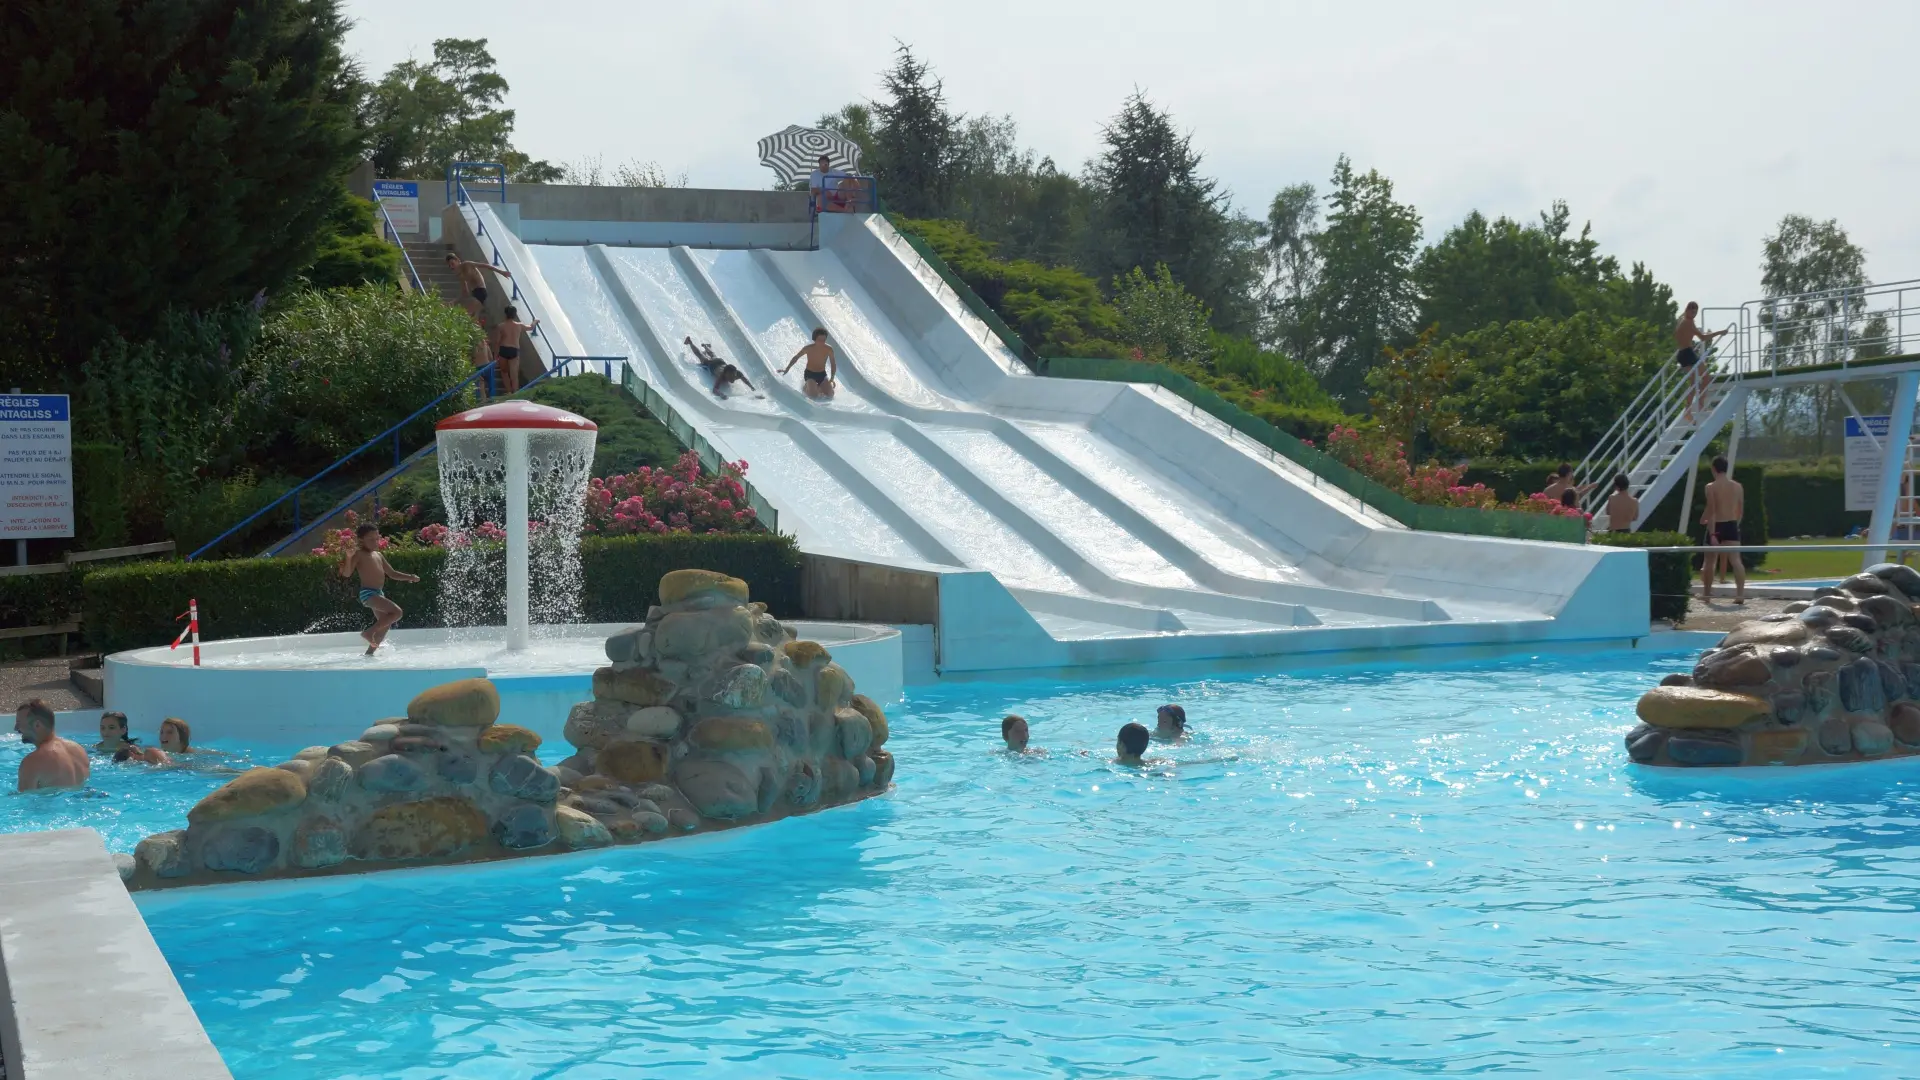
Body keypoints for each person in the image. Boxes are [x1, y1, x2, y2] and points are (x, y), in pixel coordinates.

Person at [337, 524, 420, 654]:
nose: (375, 542)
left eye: (377, 538)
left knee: (385, 626)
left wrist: (409, 577)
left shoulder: (379, 555)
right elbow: (347, 573)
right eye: (371, 539)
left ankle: (369, 654)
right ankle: (369, 632)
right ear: (361, 540)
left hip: (378, 594)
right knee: (397, 612)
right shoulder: (359, 554)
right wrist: (348, 557)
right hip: (368, 594)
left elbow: (392, 573)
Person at [14, 699, 90, 792]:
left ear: (37, 725)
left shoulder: (32, 762)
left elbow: (24, 802)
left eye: (19, 723)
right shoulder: (79, 750)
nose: (16, 728)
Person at [1700, 455, 1746, 605]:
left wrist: (1712, 532)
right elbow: (1740, 510)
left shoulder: (1710, 486)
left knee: (1709, 562)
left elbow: (1712, 509)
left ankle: (1707, 594)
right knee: (1736, 561)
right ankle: (1740, 595)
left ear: (1714, 469)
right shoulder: (1738, 486)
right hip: (1731, 524)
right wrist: (1736, 524)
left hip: (1717, 526)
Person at [1674, 301, 1728, 422]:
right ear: (1687, 310)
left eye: (1695, 312)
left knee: (1694, 382)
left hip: (1682, 354)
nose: (1693, 314)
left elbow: (1677, 336)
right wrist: (1720, 332)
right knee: (1706, 378)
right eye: (1692, 311)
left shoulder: (1681, 320)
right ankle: (1700, 405)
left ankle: (1689, 410)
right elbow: (1703, 337)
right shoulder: (1687, 322)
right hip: (1687, 353)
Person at [445, 252, 511, 323]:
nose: (452, 267)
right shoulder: (460, 275)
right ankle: (479, 332)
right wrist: (454, 301)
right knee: (474, 318)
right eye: (449, 266)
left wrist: (501, 272)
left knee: (466, 315)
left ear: (457, 260)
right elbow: (465, 292)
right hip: (474, 294)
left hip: (481, 291)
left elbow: (486, 266)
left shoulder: (467, 264)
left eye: (452, 264)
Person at [489, 305, 540, 395]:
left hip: (504, 349)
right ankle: (515, 392)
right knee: (514, 374)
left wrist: (495, 355)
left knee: (504, 372)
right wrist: (535, 321)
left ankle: (508, 391)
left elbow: (497, 342)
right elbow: (531, 327)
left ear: (505, 314)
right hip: (514, 350)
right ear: (515, 314)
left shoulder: (501, 326)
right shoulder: (519, 325)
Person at [782, 328, 838, 400]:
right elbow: (796, 357)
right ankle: (806, 387)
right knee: (813, 396)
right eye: (819, 340)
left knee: (830, 395)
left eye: (824, 340)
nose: (822, 342)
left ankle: (818, 387)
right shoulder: (808, 348)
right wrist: (787, 369)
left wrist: (832, 378)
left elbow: (833, 363)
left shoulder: (829, 349)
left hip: (822, 374)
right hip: (810, 374)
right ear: (814, 339)